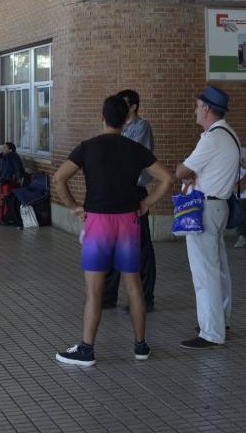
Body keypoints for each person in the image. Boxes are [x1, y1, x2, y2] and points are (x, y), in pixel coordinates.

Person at [52, 94, 172, 367]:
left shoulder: (87, 147)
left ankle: (86, 350)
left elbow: (59, 178)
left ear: (102, 117)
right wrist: (145, 203)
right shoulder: (134, 148)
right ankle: (141, 346)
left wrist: (74, 206)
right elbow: (166, 178)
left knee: (95, 290)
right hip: (129, 221)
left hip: (98, 222)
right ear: (125, 118)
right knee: (134, 286)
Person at [176, 85, 241, 350]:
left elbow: (182, 170)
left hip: (205, 209)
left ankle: (211, 333)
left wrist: (187, 171)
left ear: (206, 108)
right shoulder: (230, 134)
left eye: (196, 106)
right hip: (218, 206)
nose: (194, 111)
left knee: (205, 273)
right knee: (219, 271)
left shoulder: (212, 137)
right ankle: (220, 321)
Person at [103, 89, 157, 312]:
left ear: (133, 106)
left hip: (134, 191)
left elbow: (128, 157)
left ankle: (144, 298)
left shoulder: (141, 127)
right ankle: (107, 295)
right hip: (116, 191)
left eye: (124, 105)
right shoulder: (119, 128)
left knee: (140, 245)